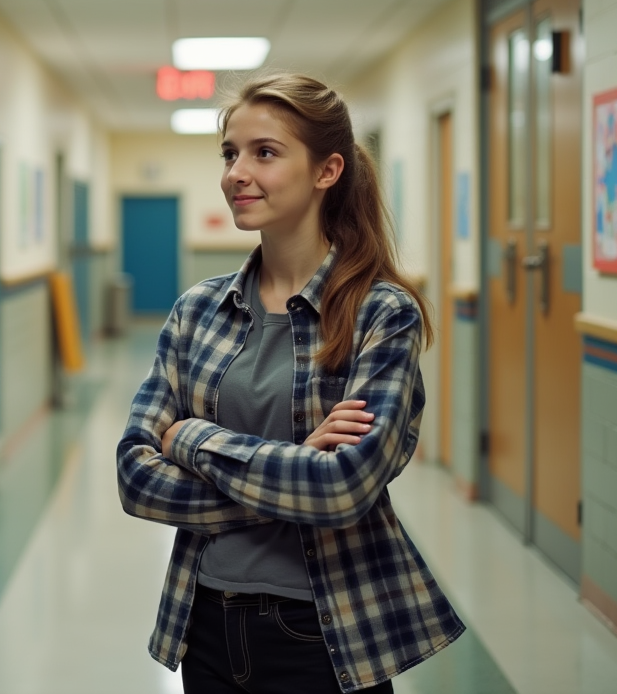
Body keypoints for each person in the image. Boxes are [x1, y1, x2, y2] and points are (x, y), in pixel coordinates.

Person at [116, 73, 464, 693]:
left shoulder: (380, 314)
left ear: (327, 171)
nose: (235, 173)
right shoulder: (197, 311)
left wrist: (193, 439)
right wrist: (295, 470)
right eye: (230, 153)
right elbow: (135, 476)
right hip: (205, 621)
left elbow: (341, 489)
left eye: (264, 153)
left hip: (326, 632)